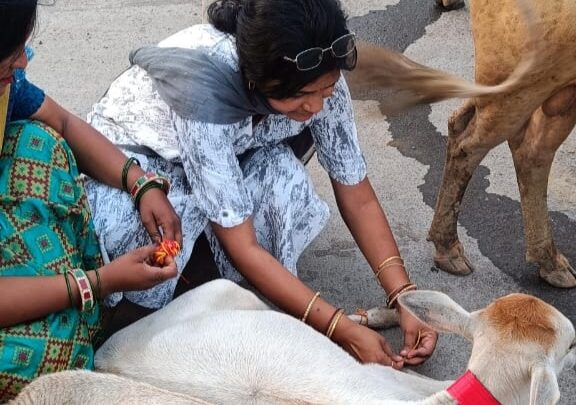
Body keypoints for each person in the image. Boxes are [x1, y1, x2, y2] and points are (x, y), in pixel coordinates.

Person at [86, 0, 438, 368]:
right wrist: (339, 329)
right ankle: (151, 308)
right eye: (302, 96)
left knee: (282, 177)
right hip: (142, 167)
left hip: (230, 154)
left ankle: (212, 272)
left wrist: (405, 297)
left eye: (327, 91)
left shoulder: (317, 70)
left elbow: (357, 193)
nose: (317, 106)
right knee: (169, 241)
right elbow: (244, 245)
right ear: (256, 80)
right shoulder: (206, 92)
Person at [0, 1, 182, 400]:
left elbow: (63, 122)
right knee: (44, 361)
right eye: (9, 55)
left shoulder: (7, 86)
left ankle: (63, 303)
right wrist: (97, 283)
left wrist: (141, 184)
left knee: (40, 142)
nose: (22, 63)